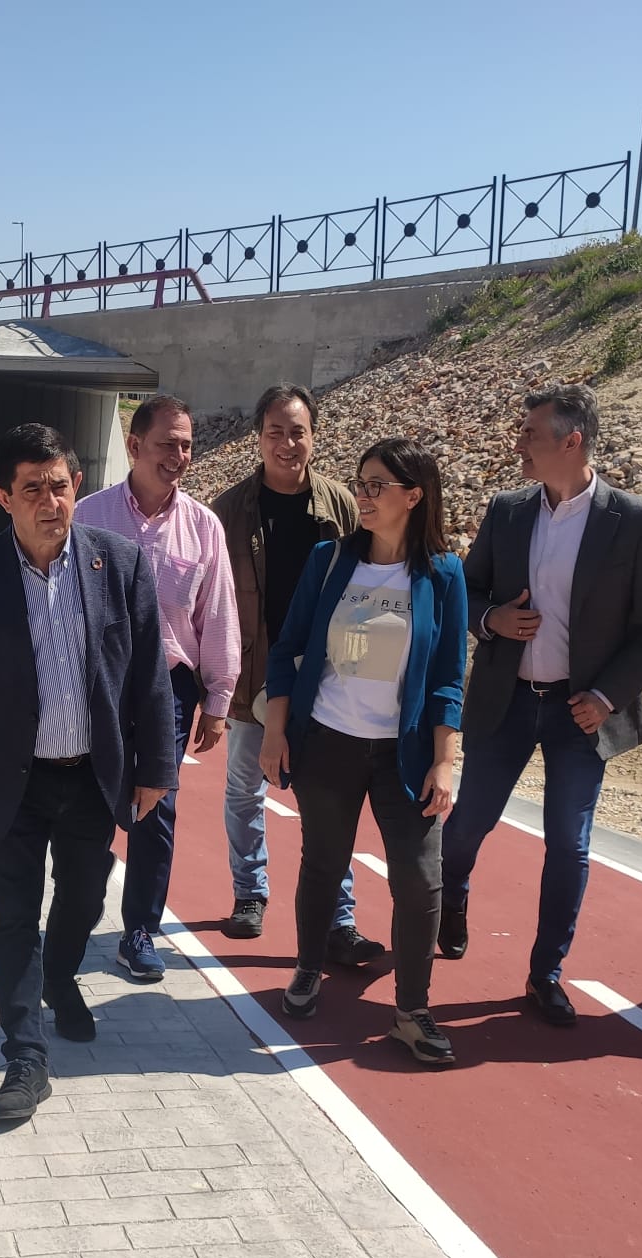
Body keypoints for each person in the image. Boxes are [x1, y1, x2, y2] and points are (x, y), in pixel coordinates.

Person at [0, 423, 177, 1122]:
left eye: (61, 486)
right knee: (12, 918)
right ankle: (25, 1056)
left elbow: (149, 678)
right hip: (10, 780)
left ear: (77, 486)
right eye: (32, 489)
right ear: (3, 498)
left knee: (82, 897)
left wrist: (157, 766)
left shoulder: (120, 564)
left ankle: (62, 977)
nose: (50, 502)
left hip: (94, 776)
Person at [437, 383, 642, 1026]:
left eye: (532, 435)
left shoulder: (636, 521)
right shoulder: (509, 511)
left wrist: (605, 698)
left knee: (568, 845)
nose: (520, 444)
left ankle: (545, 973)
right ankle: (452, 890)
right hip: (507, 700)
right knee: (467, 826)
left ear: (572, 443)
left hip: (581, 715)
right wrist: (491, 620)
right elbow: (468, 588)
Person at [259, 439, 465, 1065]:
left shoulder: (443, 574)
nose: (364, 495)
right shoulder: (329, 561)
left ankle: (412, 1009)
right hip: (328, 743)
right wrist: (275, 731)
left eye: (378, 485)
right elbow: (286, 647)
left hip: (401, 755)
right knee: (323, 863)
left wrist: (446, 759)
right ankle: (307, 967)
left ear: (414, 495)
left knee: (421, 878)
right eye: (360, 483)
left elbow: (448, 679)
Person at [210, 385, 381, 967]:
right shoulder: (228, 511)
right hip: (252, 677)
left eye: (298, 431)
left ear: (315, 435)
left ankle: (340, 920)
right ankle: (250, 894)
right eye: (276, 432)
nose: (288, 443)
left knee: (328, 803)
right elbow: (212, 602)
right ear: (258, 437)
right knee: (243, 791)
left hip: (325, 684)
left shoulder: (342, 509)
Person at [75, 394, 239, 981]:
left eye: (187, 444)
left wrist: (218, 700)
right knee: (91, 802)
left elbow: (217, 616)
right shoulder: (88, 517)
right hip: (98, 685)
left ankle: (140, 928)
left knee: (156, 809)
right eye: (167, 443)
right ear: (134, 446)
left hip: (169, 689)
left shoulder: (203, 527)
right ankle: (81, 900)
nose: (178, 455)